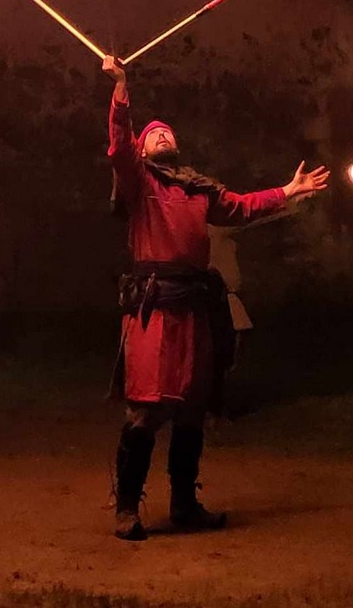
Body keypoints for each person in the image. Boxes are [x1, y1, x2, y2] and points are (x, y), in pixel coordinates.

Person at [103, 54, 329, 541]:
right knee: (145, 411)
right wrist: (121, 88)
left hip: (192, 310)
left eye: (168, 133)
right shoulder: (139, 183)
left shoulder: (199, 190)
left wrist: (287, 191)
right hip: (152, 311)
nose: (163, 136)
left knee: (191, 409)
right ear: (143, 150)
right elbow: (119, 146)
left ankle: (184, 505)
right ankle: (127, 509)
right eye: (154, 135)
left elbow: (242, 206)